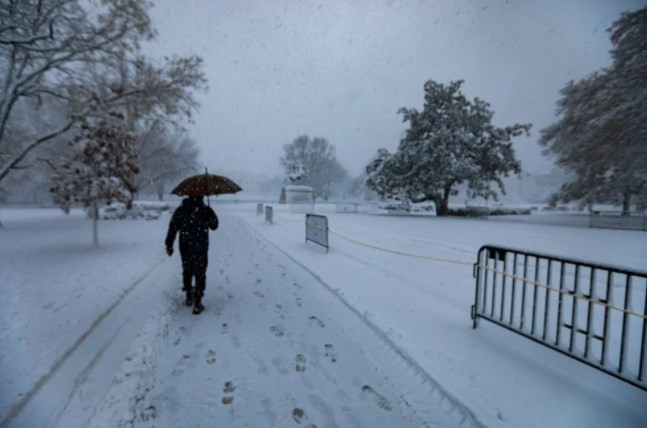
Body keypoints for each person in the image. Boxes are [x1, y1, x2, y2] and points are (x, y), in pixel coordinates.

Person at [165, 195, 219, 314]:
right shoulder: (205, 210)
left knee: (187, 269)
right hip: (201, 246)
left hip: (185, 246)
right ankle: (198, 300)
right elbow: (215, 226)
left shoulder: (181, 210)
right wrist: (210, 213)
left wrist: (169, 244)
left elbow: (172, 228)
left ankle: (189, 293)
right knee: (200, 271)